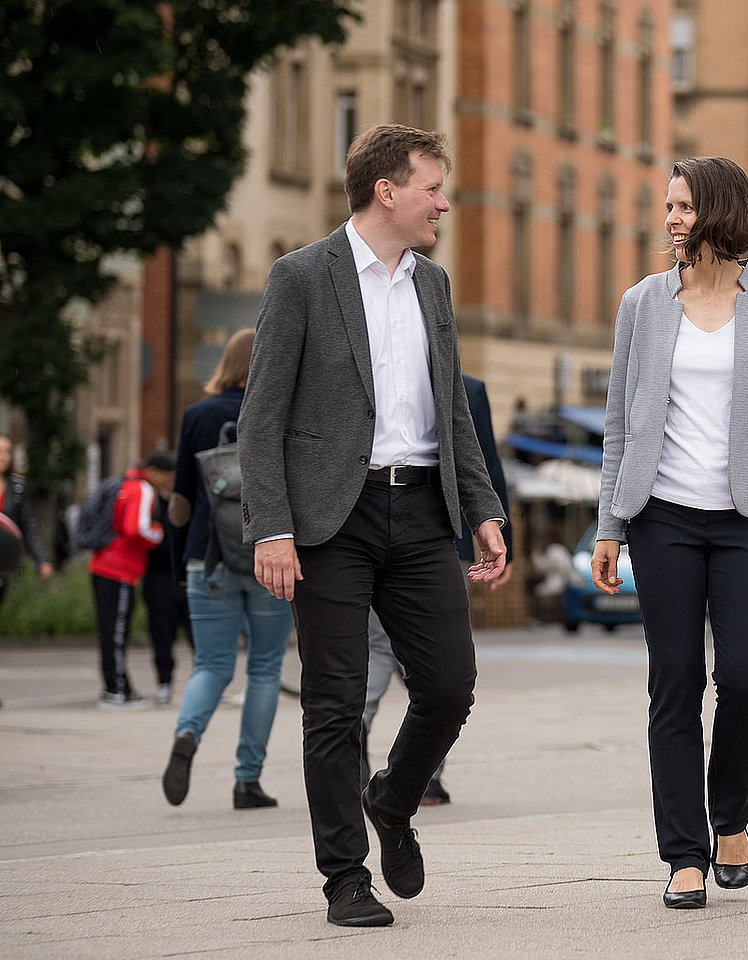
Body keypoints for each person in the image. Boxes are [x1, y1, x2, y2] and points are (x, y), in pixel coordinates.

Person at [238, 123, 508, 928]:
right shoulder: (302, 278)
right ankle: (345, 880)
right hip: (332, 519)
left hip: (423, 510)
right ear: (386, 190)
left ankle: (391, 800)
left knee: (449, 687)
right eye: (432, 186)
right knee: (332, 702)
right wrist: (271, 528)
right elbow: (262, 418)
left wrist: (484, 507)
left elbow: (450, 408)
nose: (443, 202)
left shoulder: (433, 284)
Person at [592, 156, 748, 910]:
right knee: (675, 681)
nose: (672, 219)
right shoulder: (643, 303)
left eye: (683, 205)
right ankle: (683, 853)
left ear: (719, 209)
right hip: (664, 518)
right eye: (667, 206)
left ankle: (732, 822)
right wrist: (609, 527)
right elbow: (620, 424)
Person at [362, 373, 513, 806]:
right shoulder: (470, 385)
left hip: (404, 535)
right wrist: (504, 535)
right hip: (443, 538)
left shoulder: (372, 372)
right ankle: (427, 774)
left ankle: (360, 730)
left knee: (379, 650)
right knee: (433, 656)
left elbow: (478, 461)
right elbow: (487, 462)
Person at [162, 329, 294, 810]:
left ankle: (187, 735)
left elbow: (179, 500)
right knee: (263, 669)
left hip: (207, 556)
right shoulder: (283, 411)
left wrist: (183, 559)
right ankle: (247, 781)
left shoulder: (198, 415)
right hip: (272, 556)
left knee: (212, 665)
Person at [90, 453, 168, 707]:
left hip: (103, 562)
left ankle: (114, 685)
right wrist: (159, 533)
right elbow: (137, 529)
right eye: (169, 475)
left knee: (110, 629)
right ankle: (117, 689)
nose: (170, 481)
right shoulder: (142, 488)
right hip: (120, 568)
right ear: (155, 471)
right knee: (118, 631)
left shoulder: (123, 483)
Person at [140, 449, 190, 706]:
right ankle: (164, 682)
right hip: (157, 575)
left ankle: (204, 681)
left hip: (186, 574)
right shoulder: (146, 499)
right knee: (161, 632)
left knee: (196, 631)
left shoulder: (187, 496)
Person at [0, 433, 54, 609]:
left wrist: (41, 559)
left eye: (7, 451)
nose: (3, 457)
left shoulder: (16, 488)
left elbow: (26, 526)